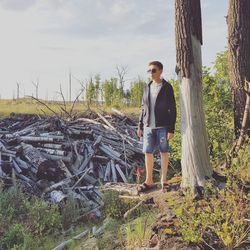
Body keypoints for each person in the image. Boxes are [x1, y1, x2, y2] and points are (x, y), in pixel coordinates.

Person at [137, 61, 177, 192]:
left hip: (163, 127)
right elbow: (143, 107)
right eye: (149, 71)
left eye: (153, 70)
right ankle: (149, 181)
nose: (151, 73)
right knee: (148, 152)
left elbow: (173, 109)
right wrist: (140, 126)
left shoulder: (167, 87)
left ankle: (164, 180)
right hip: (148, 126)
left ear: (160, 71)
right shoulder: (146, 87)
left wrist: (171, 129)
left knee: (163, 152)